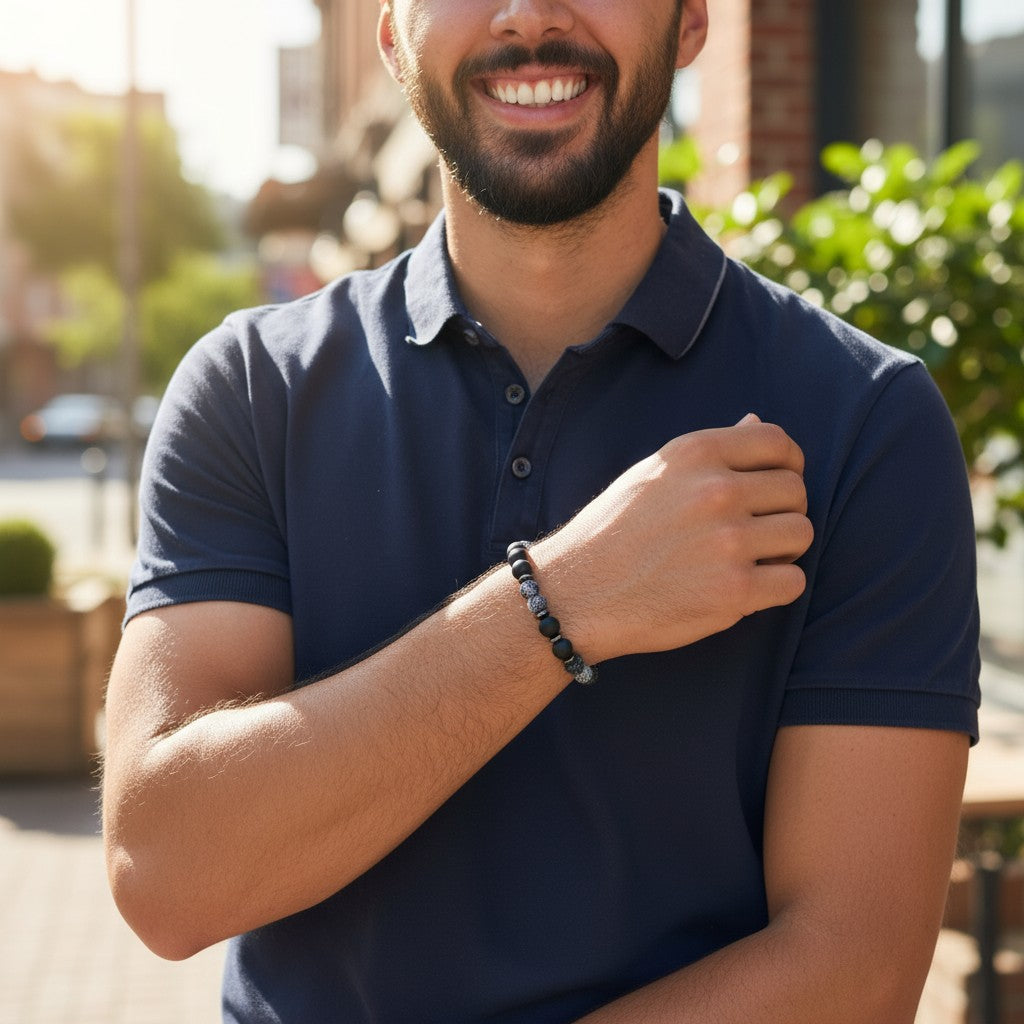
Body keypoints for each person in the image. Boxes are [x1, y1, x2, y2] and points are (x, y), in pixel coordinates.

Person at [101, 1, 981, 1021]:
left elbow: (852, 967)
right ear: (393, 38)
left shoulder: (862, 417)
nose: (529, 15)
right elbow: (162, 871)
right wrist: (556, 603)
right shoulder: (254, 390)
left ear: (690, 23)